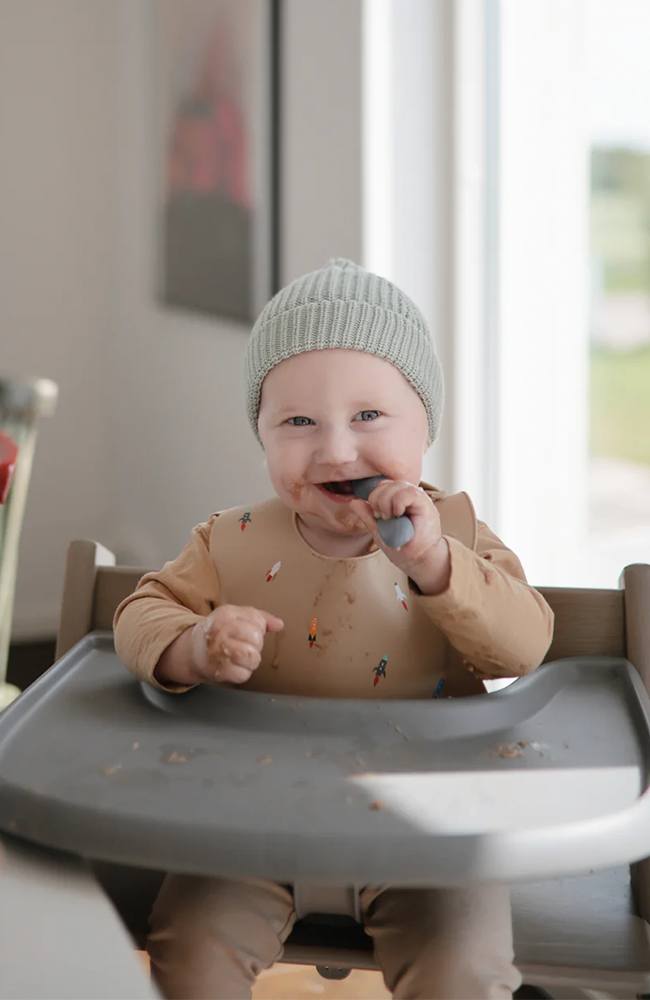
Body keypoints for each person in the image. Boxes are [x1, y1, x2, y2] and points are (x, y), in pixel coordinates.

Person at [114, 257, 554, 1000]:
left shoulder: (456, 534)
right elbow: (138, 614)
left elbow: (526, 644)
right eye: (298, 422)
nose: (337, 450)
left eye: (369, 416)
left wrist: (435, 566)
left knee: (462, 967)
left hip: (432, 822)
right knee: (190, 947)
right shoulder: (229, 541)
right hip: (251, 815)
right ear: (261, 434)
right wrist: (194, 644)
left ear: (426, 425)